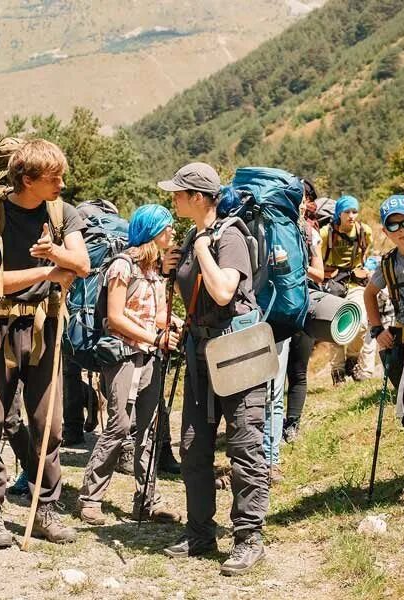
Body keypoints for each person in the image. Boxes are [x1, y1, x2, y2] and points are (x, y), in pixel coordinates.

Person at [0, 138, 89, 548]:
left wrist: (53, 253)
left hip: (44, 327)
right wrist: (46, 273)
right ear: (28, 178)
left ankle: (46, 510)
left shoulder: (62, 214)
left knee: (48, 423)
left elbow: (83, 264)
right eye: (54, 178)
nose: (61, 184)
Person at [159, 163, 269, 576]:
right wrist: (175, 266)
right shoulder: (194, 237)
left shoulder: (231, 235)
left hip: (237, 350)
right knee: (193, 445)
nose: (173, 198)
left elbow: (224, 291)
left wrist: (202, 249)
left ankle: (248, 539)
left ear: (200, 197)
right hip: (202, 352)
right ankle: (201, 532)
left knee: (243, 445)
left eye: (179, 193)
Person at [78, 204, 180, 525]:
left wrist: (175, 321)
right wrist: (153, 337)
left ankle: (147, 500)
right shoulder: (122, 266)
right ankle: (90, 499)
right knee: (120, 424)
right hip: (122, 355)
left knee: (148, 427)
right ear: (151, 231)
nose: (172, 232)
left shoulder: (154, 271)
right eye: (167, 227)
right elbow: (115, 318)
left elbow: (156, 314)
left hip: (149, 354)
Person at [364, 195, 404, 513]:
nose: (403, 230)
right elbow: (369, 294)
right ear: (386, 230)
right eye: (394, 224)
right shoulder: (389, 264)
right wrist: (377, 330)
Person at [282, 179, 324, 444]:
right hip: (276, 306)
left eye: (302, 195)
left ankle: (292, 424)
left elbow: (319, 274)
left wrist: (297, 265)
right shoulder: (273, 229)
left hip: (303, 303)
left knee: (297, 371)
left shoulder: (310, 233)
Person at [320, 195, 376, 384]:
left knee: (360, 323)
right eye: (347, 212)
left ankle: (352, 358)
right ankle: (337, 372)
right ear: (339, 213)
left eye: (354, 211)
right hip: (333, 284)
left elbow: (366, 251)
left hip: (355, 282)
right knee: (335, 327)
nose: (351, 216)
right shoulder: (325, 234)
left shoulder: (364, 231)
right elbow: (317, 259)